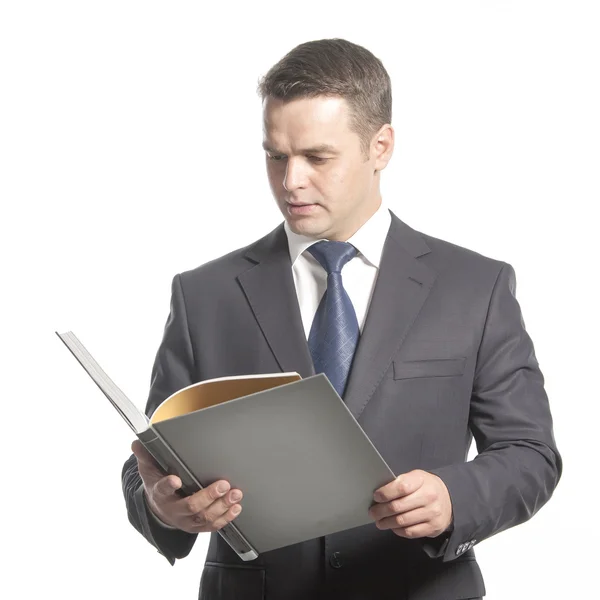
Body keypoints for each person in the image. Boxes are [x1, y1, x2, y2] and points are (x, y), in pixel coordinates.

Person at [121, 38, 562, 600]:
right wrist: (162, 505)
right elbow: (150, 459)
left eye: (317, 157)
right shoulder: (204, 294)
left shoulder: (476, 287)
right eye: (275, 155)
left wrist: (456, 496)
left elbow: (530, 454)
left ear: (381, 147)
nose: (290, 180)